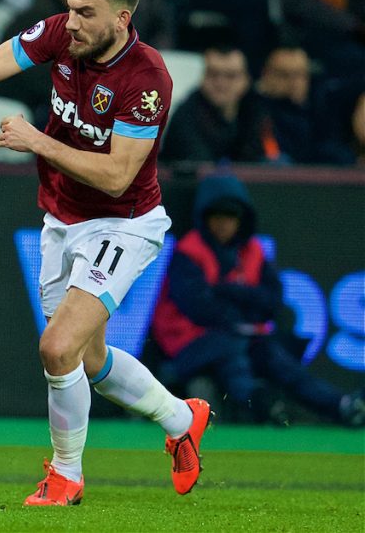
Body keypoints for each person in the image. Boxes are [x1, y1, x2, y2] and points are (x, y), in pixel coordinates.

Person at [0, 0, 209, 506]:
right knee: (87, 360)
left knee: (57, 347)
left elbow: (117, 178)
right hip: (60, 219)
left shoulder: (148, 78)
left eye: (86, 13)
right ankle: (182, 419)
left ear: (122, 17)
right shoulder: (61, 34)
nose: (73, 22)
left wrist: (36, 140)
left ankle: (66, 475)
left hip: (123, 223)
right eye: (70, 9)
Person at [152, 173, 365, 427]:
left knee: (276, 358)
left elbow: (272, 302)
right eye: (216, 216)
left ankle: (340, 406)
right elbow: (197, 307)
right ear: (205, 217)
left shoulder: (253, 250)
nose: (223, 224)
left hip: (239, 336)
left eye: (230, 216)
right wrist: (242, 305)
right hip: (188, 343)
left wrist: (228, 291)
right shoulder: (189, 251)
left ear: (241, 219)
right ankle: (262, 405)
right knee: (232, 352)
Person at [159, 45, 278, 165]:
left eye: (231, 76)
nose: (221, 83)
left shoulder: (257, 110)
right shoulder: (185, 115)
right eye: (213, 74)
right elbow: (199, 167)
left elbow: (265, 158)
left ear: (246, 80)